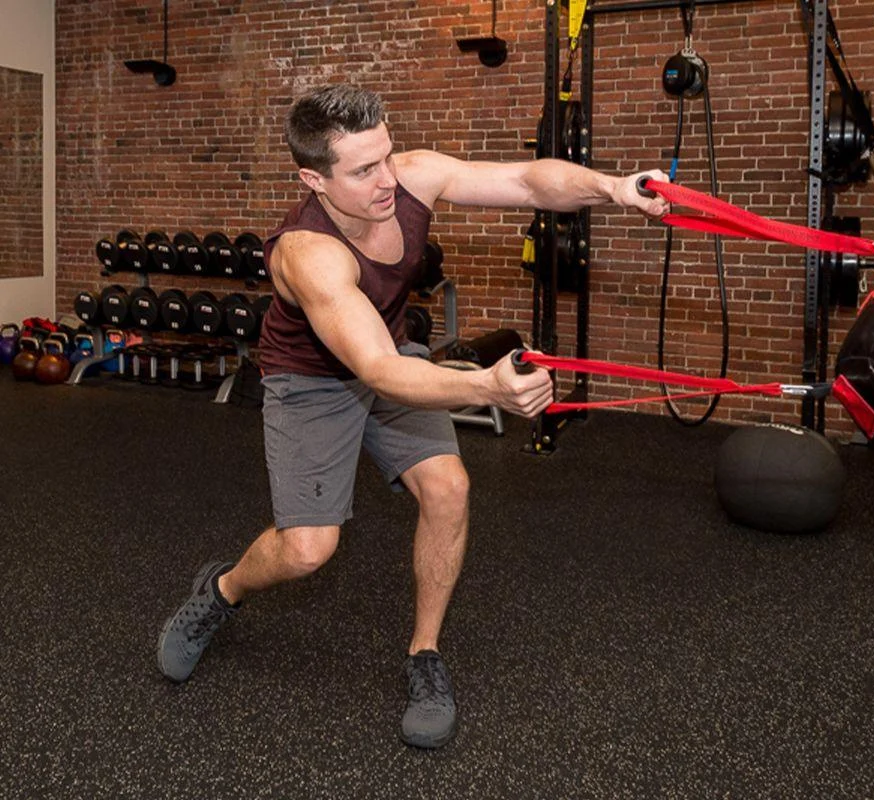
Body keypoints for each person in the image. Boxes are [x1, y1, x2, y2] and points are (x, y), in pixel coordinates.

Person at [156, 84, 669, 749]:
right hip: (313, 382)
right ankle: (221, 591)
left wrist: (614, 188)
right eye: (363, 170)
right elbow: (376, 371)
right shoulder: (309, 254)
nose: (386, 179)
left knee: (450, 487)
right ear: (314, 179)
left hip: (389, 353)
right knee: (308, 551)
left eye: (387, 156)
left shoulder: (410, 177)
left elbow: (525, 180)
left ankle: (424, 654)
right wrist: (484, 387)